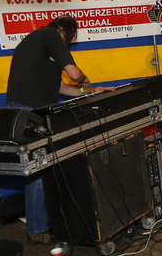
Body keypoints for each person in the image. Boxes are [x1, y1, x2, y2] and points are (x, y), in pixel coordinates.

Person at [6, 15, 110, 242]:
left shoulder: (40, 45)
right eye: (70, 40)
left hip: (30, 110)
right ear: (66, 32)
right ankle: (36, 229)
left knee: (42, 168)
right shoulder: (50, 34)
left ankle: (44, 223)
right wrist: (84, 78)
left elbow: (61, 87)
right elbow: (74, 74)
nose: (68, 45)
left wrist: (89, 92)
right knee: (39, 169)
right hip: (28, 111)